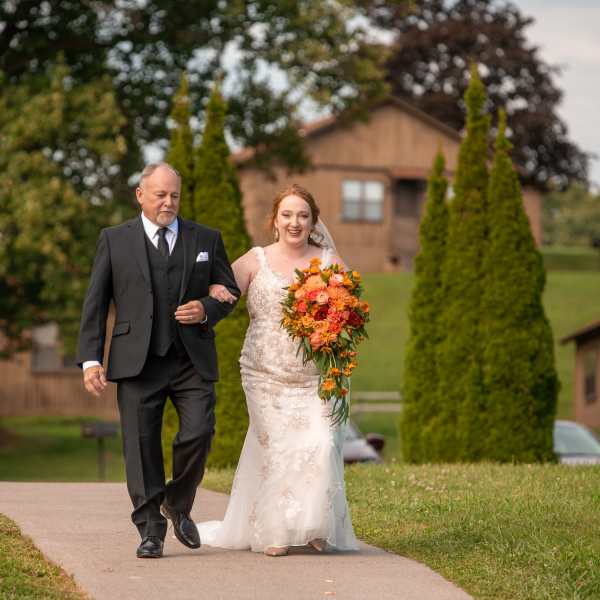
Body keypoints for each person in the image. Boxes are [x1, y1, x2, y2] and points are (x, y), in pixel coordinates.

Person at [76, 162, 240, 559]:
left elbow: (228, 290)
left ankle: (177, 502)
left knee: (199, 432)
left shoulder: (206, 238)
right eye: (160, 195)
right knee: (141, 446)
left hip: (190, 359)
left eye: (174, 195)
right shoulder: (114, 240)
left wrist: (205, 309)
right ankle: (150, 530)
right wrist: (90, 359)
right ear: (140, 195)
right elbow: (96, 302)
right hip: (137, 362)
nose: (169, 202)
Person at [197, 183, 359, 556]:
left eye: (303, 215)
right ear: (275, 220)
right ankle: (273, 531)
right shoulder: (255, 261)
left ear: (313, 222)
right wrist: (205, 303)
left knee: (321, 443)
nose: (294, 222)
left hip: (315, 375)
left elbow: (350, 309)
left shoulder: (328, 261)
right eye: (287, 214)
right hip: (264, 373)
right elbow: (220, 294)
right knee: (277, 447)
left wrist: (333, 320)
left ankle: (315, 525)